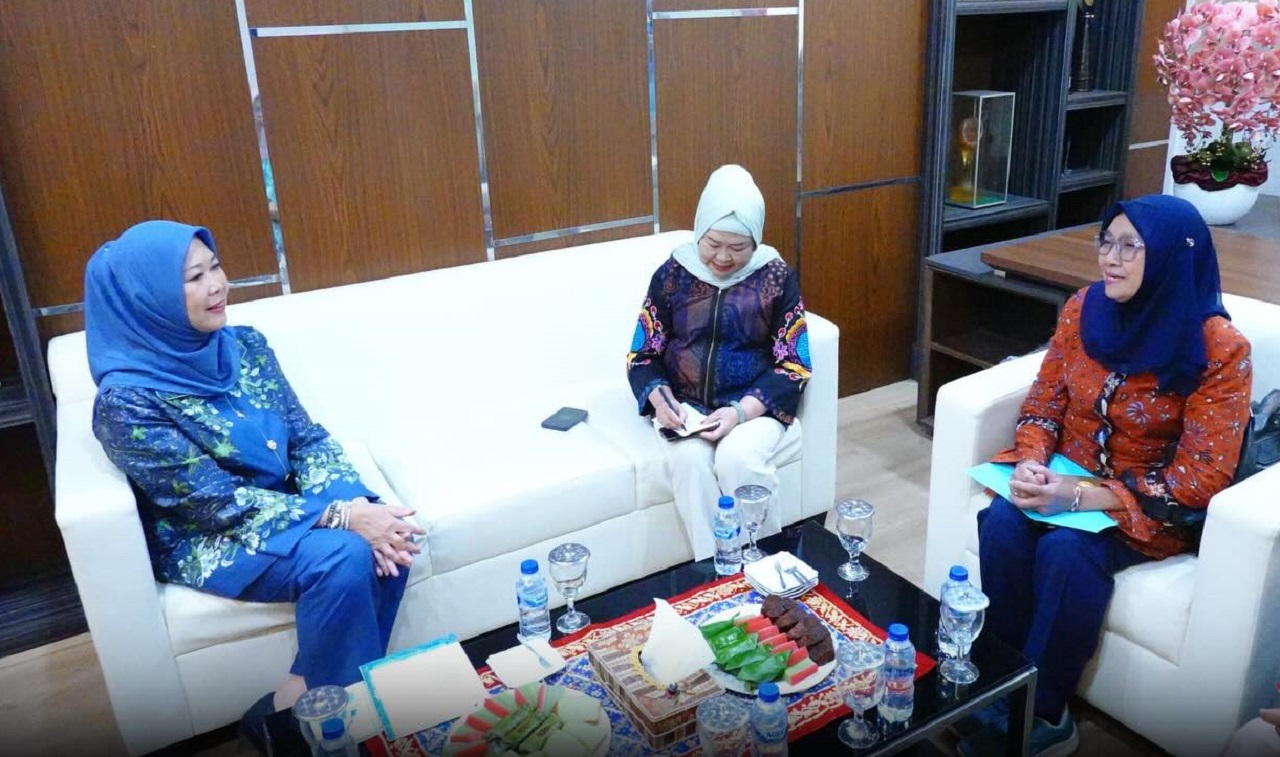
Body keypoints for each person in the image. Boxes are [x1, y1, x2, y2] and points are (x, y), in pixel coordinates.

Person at [85, 220, 425, 749]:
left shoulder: (246, 345)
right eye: (194, 277)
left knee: (392, 535)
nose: (218, 285)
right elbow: (213, 502)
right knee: (343, 554)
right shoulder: (126, 402)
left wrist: (356, 503)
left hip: (287, 503)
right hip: (208, 534)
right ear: (147, 300)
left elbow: (306, 439)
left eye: (216, 266)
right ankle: (340, 728)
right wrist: (343, 518)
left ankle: (297, 706)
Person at [958, 195, 1253, 757]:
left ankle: (1044, 716)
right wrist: (1032, 461)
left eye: (1130, 247)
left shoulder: (1218, 348)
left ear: (1170, 255)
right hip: (1063, 478)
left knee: (1068, 549)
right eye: (1106, 241)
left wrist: (1085, 496)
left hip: (1145, 506)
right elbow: (1043, 404)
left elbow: (1203, 476)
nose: (1110, 259)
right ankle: (1001, 685)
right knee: (1000, 521)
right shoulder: (1082, 308)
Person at [626, 165, 811, 560]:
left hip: (753, 405)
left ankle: (768, 564)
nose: (723, 257)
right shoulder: (672, 274)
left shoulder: (776, 278)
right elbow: (643, 354)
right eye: (713, 244)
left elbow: (794, 364)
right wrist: (661, 400)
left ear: (755, 240)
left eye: (738, 247)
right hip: (687, 408)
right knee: (690, 463)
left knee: (738, 458)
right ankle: (720, 571)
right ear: (699, 232)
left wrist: (741, 412)